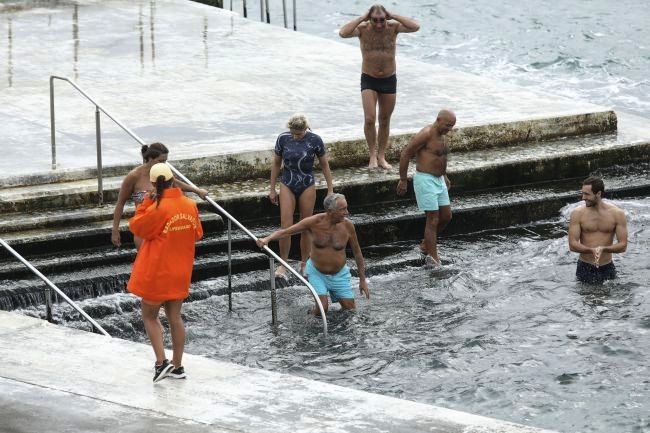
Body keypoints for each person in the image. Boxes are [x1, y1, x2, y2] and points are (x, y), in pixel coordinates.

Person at [127, 162, 204, 383]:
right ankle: (178, 366)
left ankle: (161, 363)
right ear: (172, 180)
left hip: (158, 272)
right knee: (175, 317)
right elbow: (197, 233)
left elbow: (138, 228)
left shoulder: (156, 208)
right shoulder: (190, 205)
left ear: (153, 183)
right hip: (181, 270)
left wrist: (145, 204)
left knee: (149, 316)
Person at [257, 193, 369, 314]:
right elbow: (286, 232)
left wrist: (362, 280)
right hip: (317, 273)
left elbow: (357, 252)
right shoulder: (314, 222)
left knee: (350, 309)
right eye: (343, 209)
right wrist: (267, 239)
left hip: (339, 274)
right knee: (322, 309)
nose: (347, 212)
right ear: (331, 211)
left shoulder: (348, 226)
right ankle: (309, 315)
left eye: (346, 208)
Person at [339, 4, 420, 170]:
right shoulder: (363, 29)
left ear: (386, 17)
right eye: (375, 20)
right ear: (370, 19)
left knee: (384, 120)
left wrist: (393, 16)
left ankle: (381, 156)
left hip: (389, 79)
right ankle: (372, 156)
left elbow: (415, 27)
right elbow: (343, 33)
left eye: (382, 20)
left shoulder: (393, 27)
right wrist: (362, 18)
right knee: (369, 119)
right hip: (369, 78)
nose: (379, 24)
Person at [269, 114, 334, 278]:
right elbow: (276, 164)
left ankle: (305, 262)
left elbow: (325, 165)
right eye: (293, 133)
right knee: (286, 225)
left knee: (306, 225)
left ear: (306, 129)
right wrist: (272, 189)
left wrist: (330, 189)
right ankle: (283, 264)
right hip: (287, 183)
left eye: (299, 133)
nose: (295, 136)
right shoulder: (283, 138)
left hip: (307, 183)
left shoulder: (315, 140)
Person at [111, 142, 208, 249]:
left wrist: (197, 191)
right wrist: (115, 230)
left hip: (163, 227)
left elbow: (176, 183)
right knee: (146, 261)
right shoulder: (134, 176)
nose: (163, 164)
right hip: (144, 226)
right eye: (160, 161)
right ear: (150, 158)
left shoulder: (163, 171)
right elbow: (120, 204)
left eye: (165, 161)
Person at [396, 109, 456, 265]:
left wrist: (444, 175)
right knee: (433, 219)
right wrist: (403, 179)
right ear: (438, 119)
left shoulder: (442, 136)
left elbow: (440, 157)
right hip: (425, 179)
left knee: (447, 216)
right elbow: (406, 153)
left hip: (439, 180)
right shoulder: (426, 133)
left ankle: (425, 244)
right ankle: (434, 258)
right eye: (447, 125)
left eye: (451, 127)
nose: (449, 130)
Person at [568, 176, 628, 284]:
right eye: (583, 193)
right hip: (585, 267)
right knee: (587, 299)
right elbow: (572, 245)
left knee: (610, 300)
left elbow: (623, 246)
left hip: (607, 267)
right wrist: (591, 250)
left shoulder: (617, 214)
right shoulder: (577, 214)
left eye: (587, 194)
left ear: (598, 194)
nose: (583, 197)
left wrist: (603, 249)